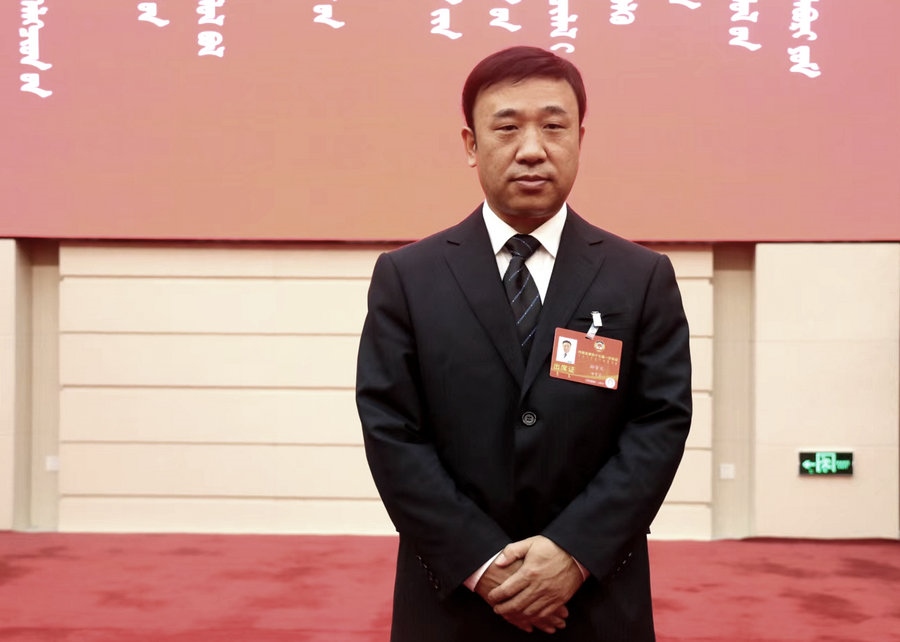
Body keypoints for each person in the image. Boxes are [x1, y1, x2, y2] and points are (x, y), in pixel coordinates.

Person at [356, 46, 692, 641]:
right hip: (454, 604)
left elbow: (659, 424)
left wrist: (573, 552)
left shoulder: (640, 278)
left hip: (594, 601)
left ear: (579, 139)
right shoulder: (408, 277)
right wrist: (483, 565)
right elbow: (392, 431)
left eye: (554, 127)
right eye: (507, 128)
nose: (532, 149)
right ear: (471, 144)